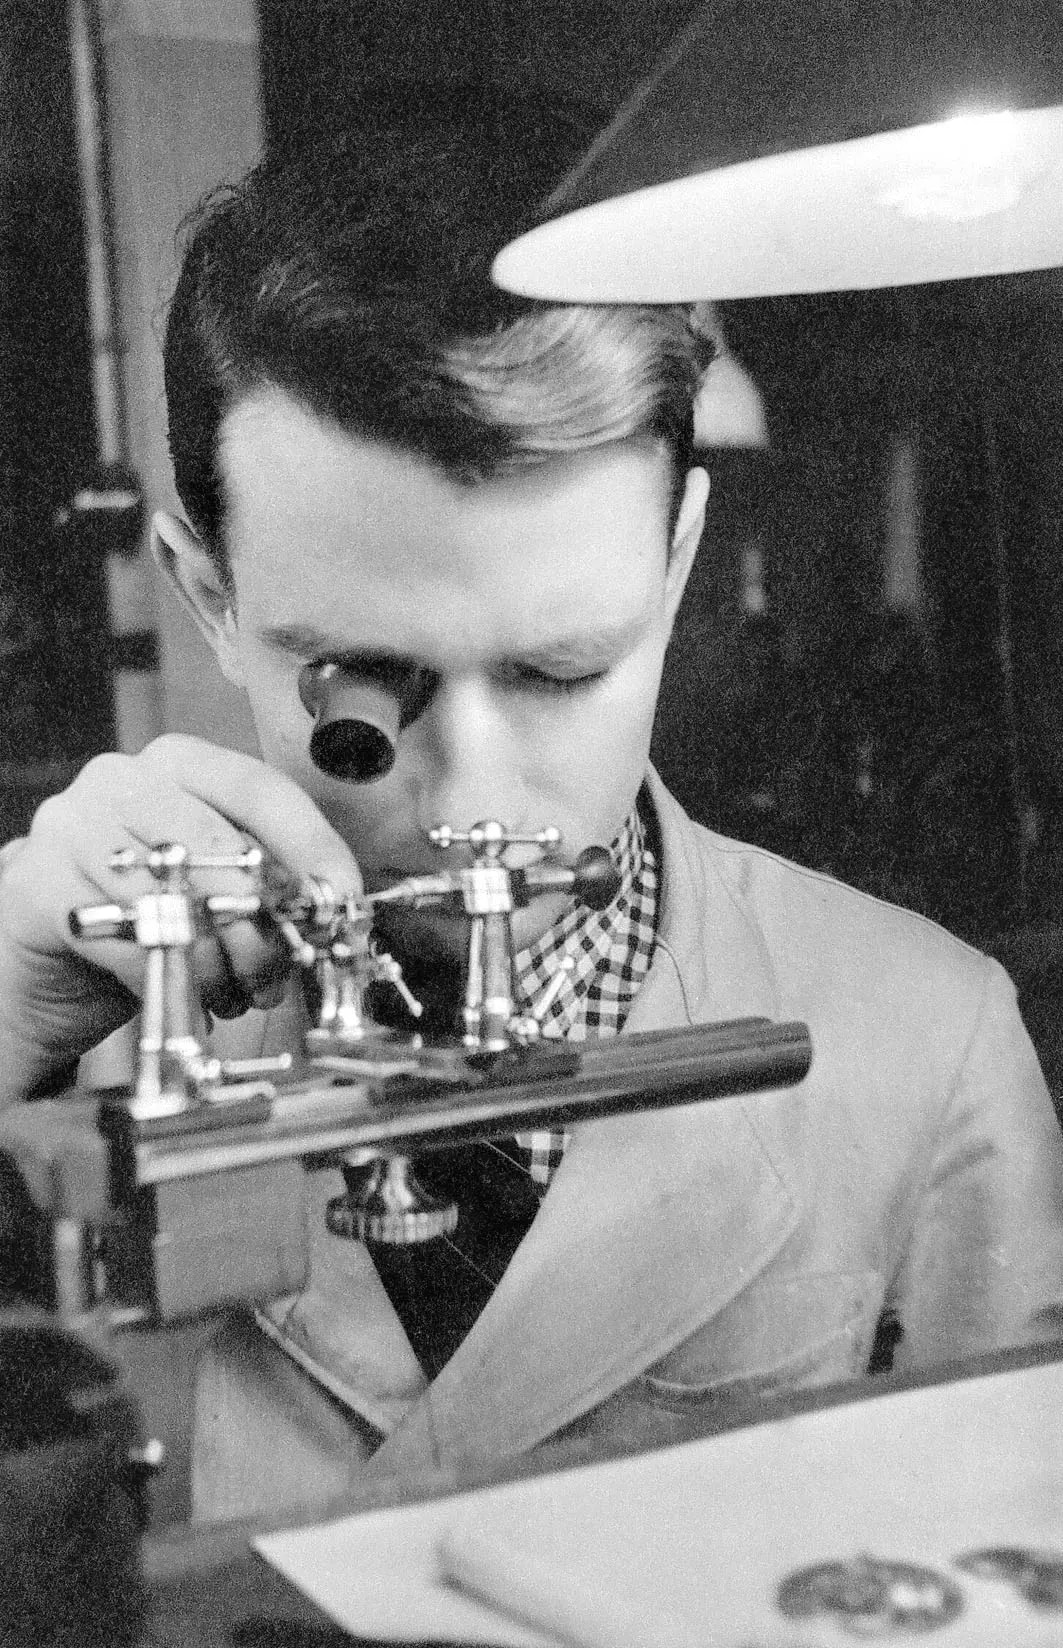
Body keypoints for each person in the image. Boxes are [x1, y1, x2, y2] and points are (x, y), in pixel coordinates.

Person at [2, 118, 1063, 1520]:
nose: (480, 800)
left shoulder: (930, 1045)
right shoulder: (83, 1015)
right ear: (210, 597)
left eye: (562, 671)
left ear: (675, 563)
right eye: (366, 694)